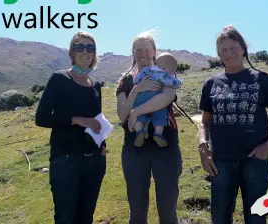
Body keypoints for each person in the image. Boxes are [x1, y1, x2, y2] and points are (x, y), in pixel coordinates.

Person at [198, 25, 268, 224]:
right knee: (220, 218)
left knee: (256, 218)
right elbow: (204, 122)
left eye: (233, 47)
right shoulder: (211, 84)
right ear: (218, 54)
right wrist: (203, 148)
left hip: (254, 162)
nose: (229, 53)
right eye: (223, 50)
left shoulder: (261, 80)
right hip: (220, 162)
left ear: (243, 48)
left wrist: (267, 146)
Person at [35, 31, 107, 224]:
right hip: (65, 161)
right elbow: (41, 118)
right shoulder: (59, 79)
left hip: (94, 162)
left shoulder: (96, 85)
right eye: (80, 47)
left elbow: (96, 120)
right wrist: (77, 120)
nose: (85, 52)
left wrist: (103, 147)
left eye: (90, 48)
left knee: (86, 217)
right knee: (66, 217)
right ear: (72, 52)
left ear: (94, 53)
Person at [116, 30, 182, 224]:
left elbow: (167, 97)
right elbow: (121, 114)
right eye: (138, 49)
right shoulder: (125, 81)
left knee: (168, 209)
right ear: (133, 52)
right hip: (134, 149)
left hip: (166, 146)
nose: (142, 53)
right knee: (137, 210)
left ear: (154, 52)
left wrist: (136, 112)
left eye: (147, 49)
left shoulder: (165, 74)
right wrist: (137, 89)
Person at [133, 52, 182, 148]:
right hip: (155, 100)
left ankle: (139, 131)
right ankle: (158, 134)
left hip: (141, 97)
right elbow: (175, 83)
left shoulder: (147, 70)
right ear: (165, 69)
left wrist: (137, 83)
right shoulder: (165, 75)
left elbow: (137, 78)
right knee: (160, 114)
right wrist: (178, 81)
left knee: (139, 116)